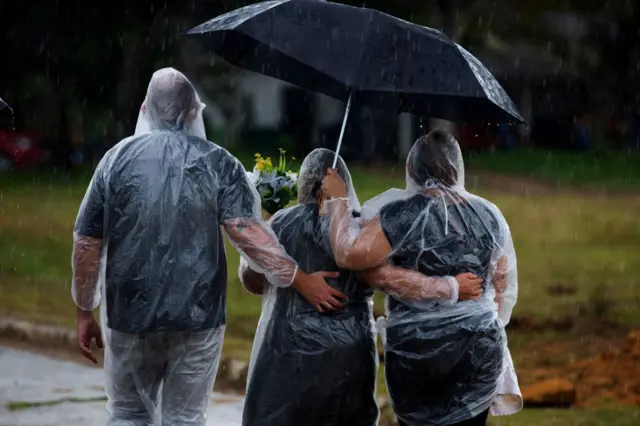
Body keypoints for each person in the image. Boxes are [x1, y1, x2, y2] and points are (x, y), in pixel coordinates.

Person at [71, 68, 346, 426]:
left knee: (127, 414)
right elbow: (247, 232)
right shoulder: (218, 163)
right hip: (198, 316)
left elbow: (86, 243)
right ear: (192, 112)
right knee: (185, 419)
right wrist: (299, 278)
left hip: (129, 314)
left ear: (146, 109)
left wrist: (83, 310)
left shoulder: (115, 161)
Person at [238, 148, 484, 426]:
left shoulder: (280, 223)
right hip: (349, 357)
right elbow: (386, 278)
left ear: (303, 184)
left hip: (282, 354)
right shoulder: (360, 229)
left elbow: (251, 280)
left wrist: (288, 266)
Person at [321, 129, 519, 426]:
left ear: (411, 169)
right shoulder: (489, 214)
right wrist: (463, 305)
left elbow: (349, 255)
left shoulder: (400, 215)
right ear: (457, 169)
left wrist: (338, 201)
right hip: (479, 349)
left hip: (417, 356)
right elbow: (501, 286)